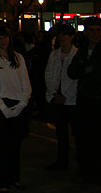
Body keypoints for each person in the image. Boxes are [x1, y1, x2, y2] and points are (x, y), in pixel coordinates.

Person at [0, 26, 31, 192]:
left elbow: (26, 83)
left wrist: (22, 103)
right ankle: (2, 181)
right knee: (2, 146)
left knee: (15, 146)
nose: (2, 41)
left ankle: (14, 178)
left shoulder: (18, 58)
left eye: (5, 37)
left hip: (18, 104)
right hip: (1, 105)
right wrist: (3, 108)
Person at [67, 17, 101, 182]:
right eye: (92, 30)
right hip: (84, 99)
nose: (95, 34)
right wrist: (85, 71)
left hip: (98, 99)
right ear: (86, 32)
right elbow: (72, 71)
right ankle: (85, 168)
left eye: (98, 30)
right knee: (83, 136)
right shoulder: (82, 50)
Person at [44, 24, 78, 170]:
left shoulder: (77, 54)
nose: (62, 38)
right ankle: (62, 159)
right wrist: (53, 93)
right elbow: (49, 75)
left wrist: (66, 95)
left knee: (77, 132)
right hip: (57, 98)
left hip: (73, 99)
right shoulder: (54, 54)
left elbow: (77, 79)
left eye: (65, 35)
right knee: (61, 132)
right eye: (60, 35)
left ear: (72, 37)